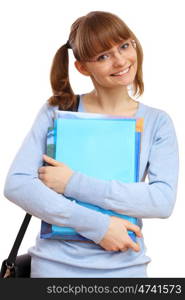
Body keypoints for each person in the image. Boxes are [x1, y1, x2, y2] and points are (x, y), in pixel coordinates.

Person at [4, 11, 179, 278]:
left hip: (124, 271)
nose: (120, 60)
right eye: (103, 56)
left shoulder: (157, 122)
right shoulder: (57, 110)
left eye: (124, 45)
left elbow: (161, 201)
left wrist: (72, 183)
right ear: (82, 67)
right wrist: (98, 226)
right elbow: (17, 184)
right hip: (54, 270)